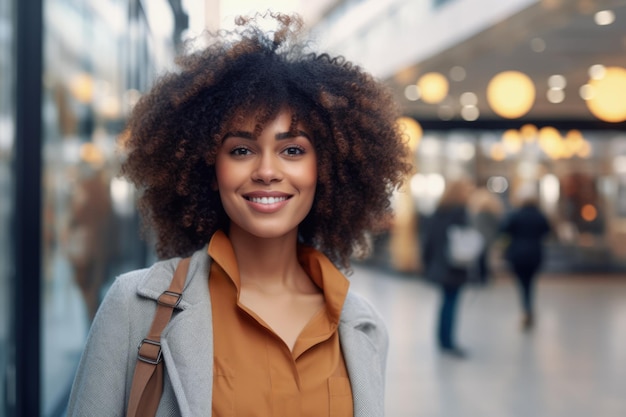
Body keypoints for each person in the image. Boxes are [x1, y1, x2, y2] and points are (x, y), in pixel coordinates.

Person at [67, 12, 411, 416]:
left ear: (327, 169)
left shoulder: (364, 328)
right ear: (210, 168)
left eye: (293, 150)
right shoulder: (136, 308)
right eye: (242, 150)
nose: (267, 171)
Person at [421, 179, 474, 358]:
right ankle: (449, 342)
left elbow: (428, 241)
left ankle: (443, 340)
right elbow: (465, 240)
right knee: (451, 302)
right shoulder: (460, 212)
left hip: (440, 264)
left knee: (445, 302)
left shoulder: (437, 212)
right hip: (455, 264)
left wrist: (427, 262)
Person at [500, 183, 551, 330]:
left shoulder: (515, 214)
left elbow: (504, 230)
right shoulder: (540, 215)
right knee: (530, 282)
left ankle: (526, 308)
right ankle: (528, 307)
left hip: (517, 254)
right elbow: (547, 231)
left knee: (522, 283)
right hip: (535, 253)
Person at [467, 187, 504, 284]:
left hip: (477, 237)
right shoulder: (493, 212)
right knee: (486, 258)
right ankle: (484, 277)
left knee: (479, 258)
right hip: (489, 237)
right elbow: (497, 226)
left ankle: (478, 277)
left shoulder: (475, 212)